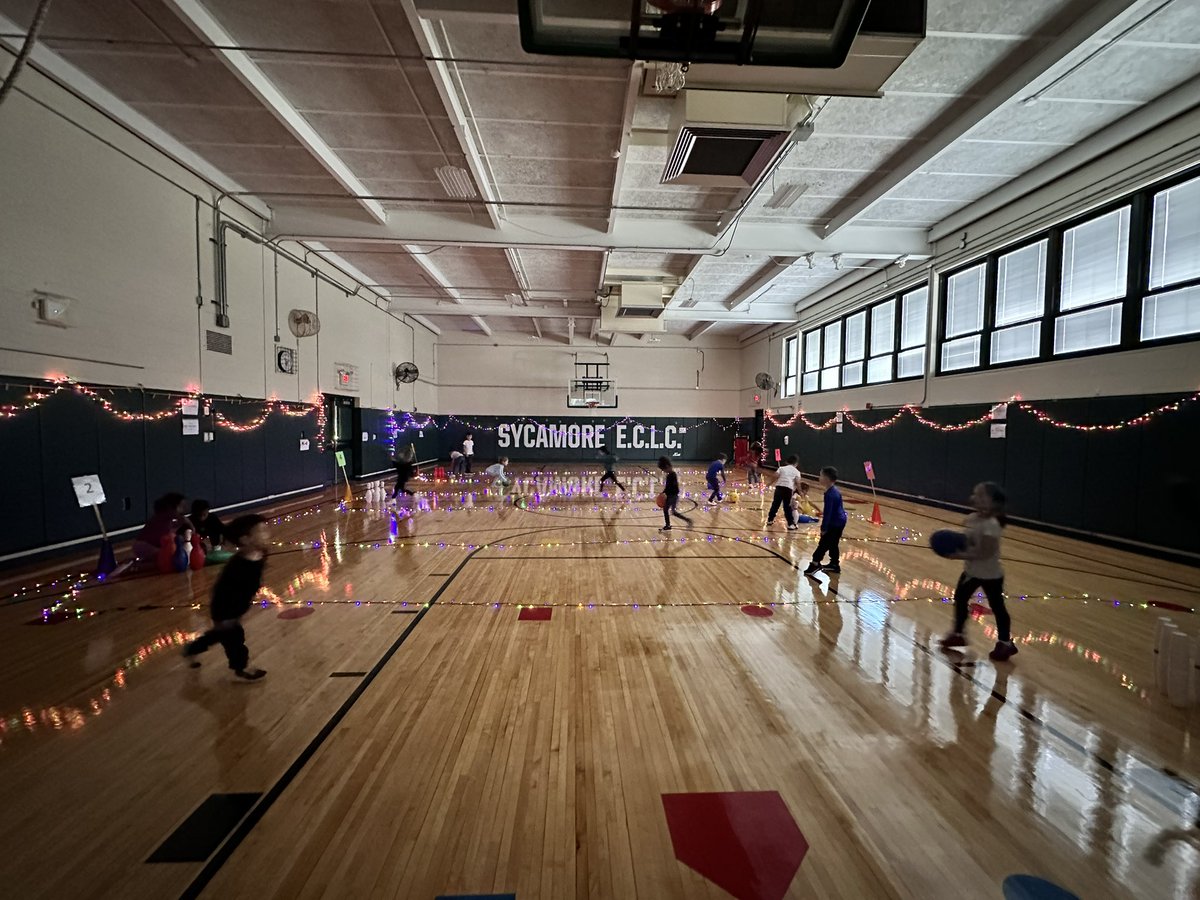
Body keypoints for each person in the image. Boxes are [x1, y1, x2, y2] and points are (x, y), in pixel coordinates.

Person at [181, 514, 270, 680]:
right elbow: (223, 593)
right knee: (234, 640)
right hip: (225, 609)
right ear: (245, 540)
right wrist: (227, 617)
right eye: (261, 532)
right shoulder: (236, 568)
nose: (267, 534)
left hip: (237, 608)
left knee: (218, 635)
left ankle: (191, 650)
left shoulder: (260, 554)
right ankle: (242, 668)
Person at [938, 482, 1017, 662]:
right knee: (960, 599)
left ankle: (1005, 643)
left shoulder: (992, 525)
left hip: (990, 575)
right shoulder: (972, 519)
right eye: (975, 495)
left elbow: (984, 552)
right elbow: (969, 541)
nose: (976, 499)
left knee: (998, 607)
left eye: (982, 496)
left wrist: (958, 555)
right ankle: (958, 634)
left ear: (994, 503)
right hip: (972, 572)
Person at [805, 467, 848, 576]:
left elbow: (828, 513)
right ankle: (834, 564)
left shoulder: (830, 494)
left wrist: (824, 528)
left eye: (821, 476)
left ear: (827, 478)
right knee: (833, 543)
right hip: (840, 521)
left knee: (823, 544)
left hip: (835, 523)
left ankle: (815, 563)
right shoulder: (833, 491)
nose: (819, 478)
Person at [132, 492, 186, 562]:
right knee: (169, 557)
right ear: (171, 507)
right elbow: (182, 520)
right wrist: (190, 525)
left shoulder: (167, 519)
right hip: (144, 546)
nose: (183, 509)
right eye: (181, 506)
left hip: (146, 545)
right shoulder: (164, 516)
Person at [657, 456, 692, 531]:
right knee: (670, 511)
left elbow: (673, 487)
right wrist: (663, 493)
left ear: (667, 467)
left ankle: (686, 521)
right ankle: (669, 525)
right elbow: (668, 487)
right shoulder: (670, 475)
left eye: (664, 469)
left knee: (669, 511)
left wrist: (665, 493)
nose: (664, 471)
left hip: (673, 496)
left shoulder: (672, 475)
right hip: (671, 496)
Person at [765, 455, 801, 530]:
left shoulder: (781, 468)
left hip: (779, 487)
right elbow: (797, 482)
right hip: (788, 489)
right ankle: (790, 524)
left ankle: (770, 520)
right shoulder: (797, 472)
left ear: (787, 462)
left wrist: (768, 484)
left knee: (775, 504)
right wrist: (800, 491)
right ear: (796, 463)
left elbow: (775, 476)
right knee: (787, 507)